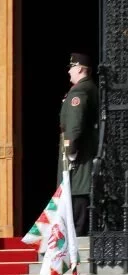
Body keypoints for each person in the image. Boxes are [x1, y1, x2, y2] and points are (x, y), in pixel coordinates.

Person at [58, 52, 99, 236]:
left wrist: (70, 150)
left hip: (78, 159)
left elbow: (74, 125)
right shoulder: (88, 88)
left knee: (76, 199)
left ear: (81, 69)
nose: (69, 72)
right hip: (84, 156)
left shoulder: (79, 91)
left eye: (72, 68)